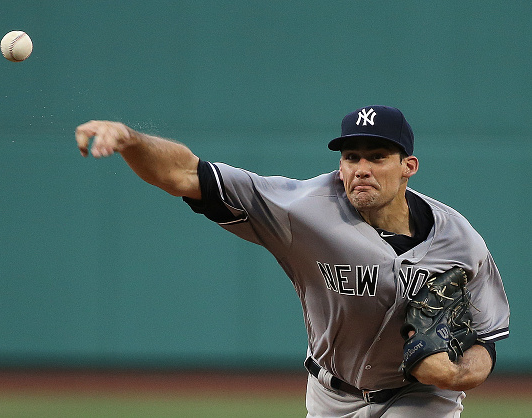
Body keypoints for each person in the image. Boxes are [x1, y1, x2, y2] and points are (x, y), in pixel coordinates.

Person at [75, 105, 510, 417]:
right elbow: (185, 174)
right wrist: (131, 139)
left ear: (408, 166)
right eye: (351, 157)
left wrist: (457, 377)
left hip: (418, 398)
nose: (361, 168)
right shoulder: (303, 209)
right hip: (330, 395)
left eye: (377, 157)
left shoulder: (459, 240)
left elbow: (486, 337)